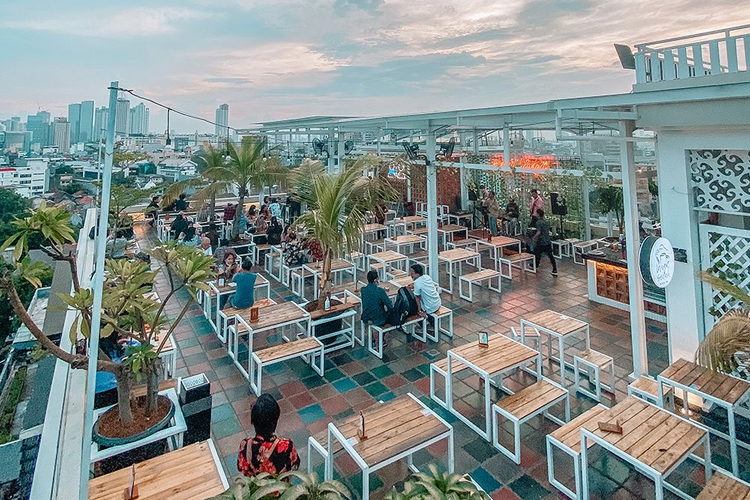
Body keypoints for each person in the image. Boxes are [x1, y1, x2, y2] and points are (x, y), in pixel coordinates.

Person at [238, 393, 300, 477]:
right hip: (280, 489)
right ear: (275, 421)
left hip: (255, 490)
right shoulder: (287, 445)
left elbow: (241, 467)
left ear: (253, 421)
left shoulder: (245, 445)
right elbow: (295, 464)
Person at [410, 264, 441, 329]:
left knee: (411, 303)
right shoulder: (427, 277)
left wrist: (419, 311)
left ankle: (423, 324)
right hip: (437, 303)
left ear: (417, 274)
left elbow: (417, 297)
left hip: (430, 307)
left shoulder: (417, 282)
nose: (411, 275)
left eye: (412, 273)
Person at [532, 209, 558, 276]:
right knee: (550, 255)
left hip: (541, 241)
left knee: (537, 252)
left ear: (538, 214)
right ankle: (554, 268)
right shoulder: (546, 222)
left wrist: (534, 237)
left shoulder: (538, 223)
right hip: (547, 240)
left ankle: (536, 265)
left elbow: (539, 232)